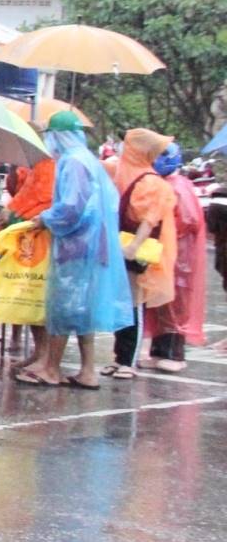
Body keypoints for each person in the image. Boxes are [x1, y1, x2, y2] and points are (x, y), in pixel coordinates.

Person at [22, 111, 126, 388]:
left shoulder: (72, 162)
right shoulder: (89, 159)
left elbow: (71, 206)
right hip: (94, 242)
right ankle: (88, 370)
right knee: (84, 309)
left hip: (77, 244)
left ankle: (52, 369)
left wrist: (45, 219)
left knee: (64, 308)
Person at [107, 129, 179, 378]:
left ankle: (130, 360)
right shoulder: (127, 176)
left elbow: (149, 221)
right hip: (124, 247)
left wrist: (133, 248)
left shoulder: (151, 183)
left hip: (136, 252)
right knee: (121, 303)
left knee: (134, 304)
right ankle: (120, 357)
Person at [145, 143, 206, 370]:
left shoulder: (178, 185)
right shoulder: (166, 184)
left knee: (174, 302)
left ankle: (174, 354)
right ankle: (160, 351)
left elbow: (187, 220)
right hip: (165, 251)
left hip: (179, 254)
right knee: (161, 302)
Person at [0, 150, 58, 376]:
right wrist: (11, 211)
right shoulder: (35, 166)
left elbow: (44, 200)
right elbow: (26, 195)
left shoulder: (49, 166)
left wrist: (14, 214)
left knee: (38, 296)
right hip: (29, 236)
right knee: (29, 296)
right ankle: (39, 352)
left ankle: (44, 355)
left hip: (43, 237)